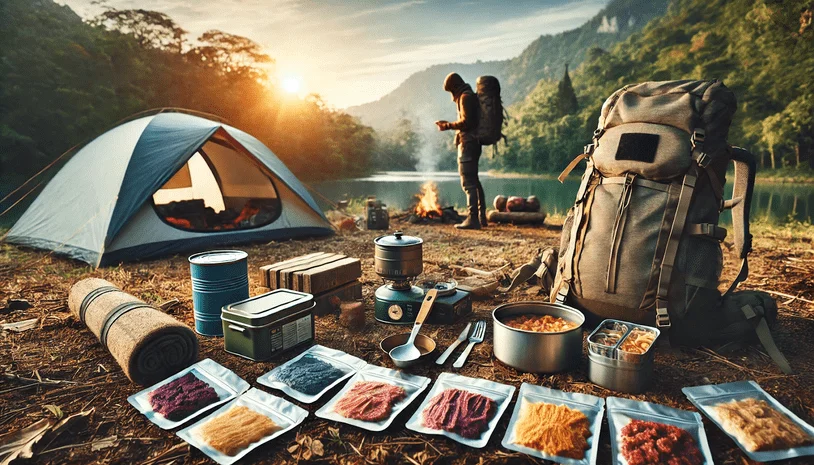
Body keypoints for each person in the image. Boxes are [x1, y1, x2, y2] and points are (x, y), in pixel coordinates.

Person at [435, 72, 486, 230]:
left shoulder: (465, 97)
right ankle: (481, 217)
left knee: (468, 183)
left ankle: (473, 219)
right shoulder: (469, 95)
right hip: (473, 143)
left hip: (468, 144)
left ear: (455, 86)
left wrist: (447, 126)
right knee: (474, 181)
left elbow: (466, 122)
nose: (451, 94)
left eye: (451, 90)